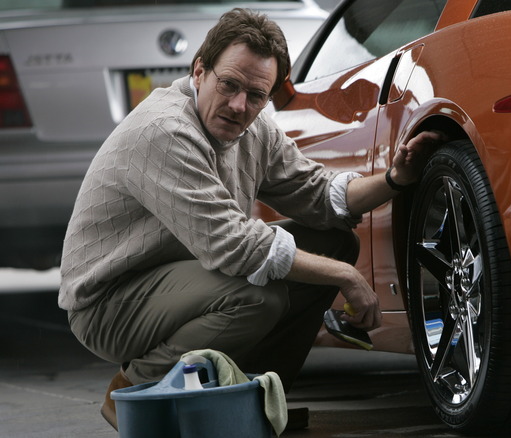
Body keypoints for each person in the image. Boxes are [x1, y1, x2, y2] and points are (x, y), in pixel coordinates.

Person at [57, 8, 444, 431]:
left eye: (256, 95)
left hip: (182, 278)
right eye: (229, 85)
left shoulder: (253, 130)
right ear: (199, 70)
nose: (239, 106)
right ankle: (137, 389)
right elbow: (236, 247)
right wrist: (345, 278)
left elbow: (319, 194)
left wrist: (394, 179)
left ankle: (256, 400)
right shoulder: (164, 132)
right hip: (110, 303)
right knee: (257, 298)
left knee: (334, 243)